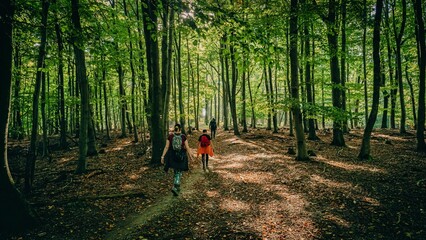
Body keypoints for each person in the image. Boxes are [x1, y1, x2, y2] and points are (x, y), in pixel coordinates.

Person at [161, 124, 193, 196]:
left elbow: (166, 147)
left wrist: (162, 156)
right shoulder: (183, 136)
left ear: (174, 129)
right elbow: (187, 147)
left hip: (172, 156)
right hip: (181, 156)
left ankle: (177, 187)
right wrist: (190, 156)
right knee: (179, 171)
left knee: (176, 171)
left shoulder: (170, 136)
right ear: (180, 129)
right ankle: (176, 186)